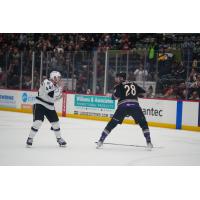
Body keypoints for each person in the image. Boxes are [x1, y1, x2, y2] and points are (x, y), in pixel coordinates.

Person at [96, 72, 153, 150]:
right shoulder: (133, 84)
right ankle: (149, 142)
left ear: (121, 78)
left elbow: (115, 97)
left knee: (111, 124)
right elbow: (143, 93)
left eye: (117, 77)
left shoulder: (118, 86)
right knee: (143, 124)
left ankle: (100, 141)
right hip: (135, 106)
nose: (116, 79)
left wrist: (110, 95)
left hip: (123, 107)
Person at [26, 71, 67, 147]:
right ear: (53, 77)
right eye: (57, 77)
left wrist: (60, 96)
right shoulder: (46, 82)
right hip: (40, 104)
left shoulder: (56, 86)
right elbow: (50, 92)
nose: (59, 79)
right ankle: (30, 138)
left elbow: (54, 98)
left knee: (56, 123)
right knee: (38, 121)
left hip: (50, 106)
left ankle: (59, 138)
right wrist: (60, 89)